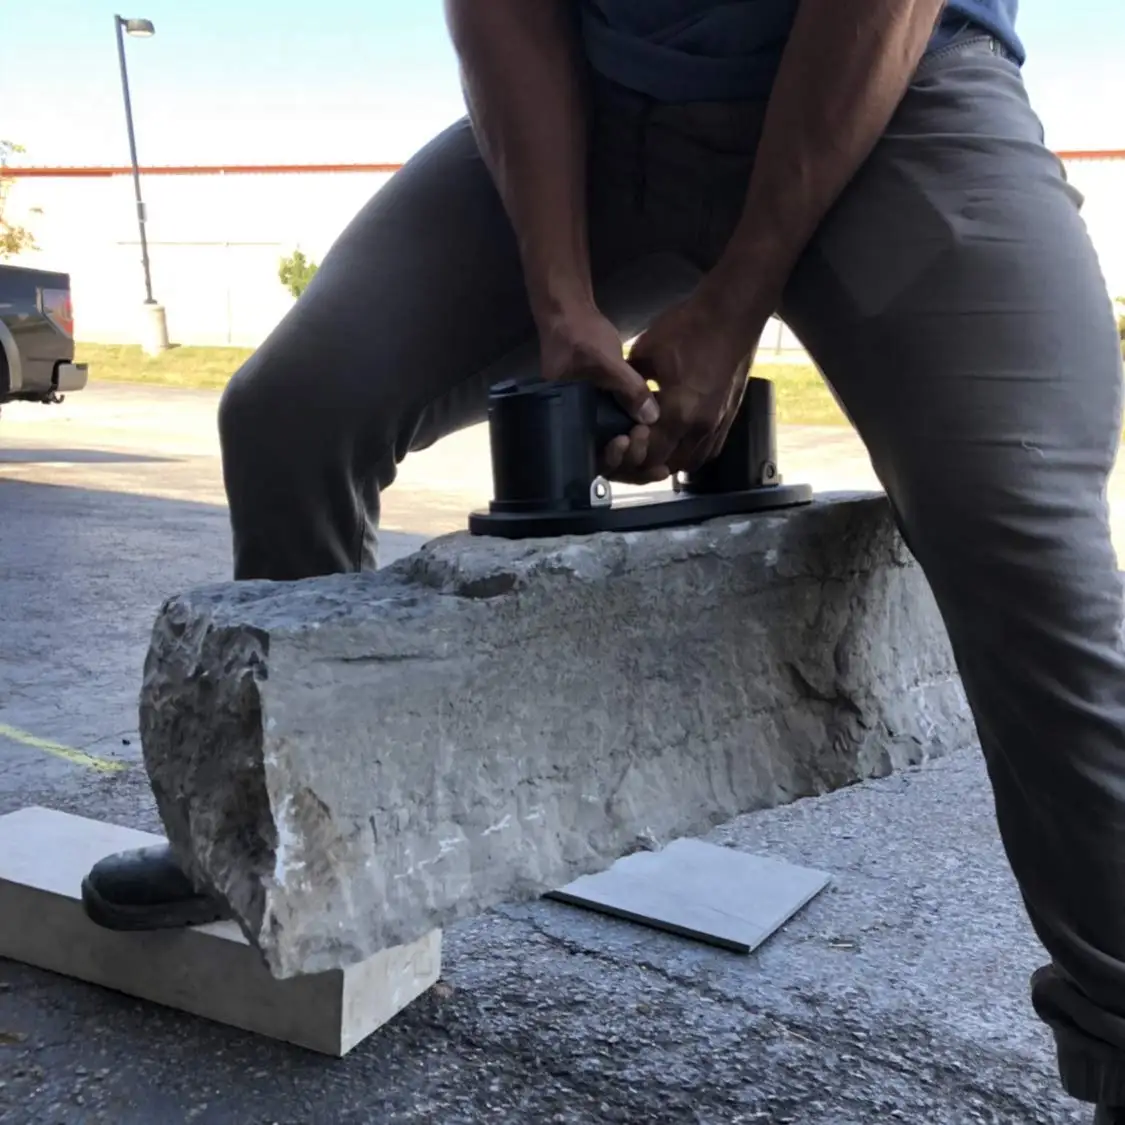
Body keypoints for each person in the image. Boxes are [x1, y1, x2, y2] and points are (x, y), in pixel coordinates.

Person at [78, 1, 1125, 1117]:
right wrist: (559, 301)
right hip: (605, 110)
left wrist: (735, 302)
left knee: (1014, 521)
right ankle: (258, 846)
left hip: (896, 89)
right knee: (290, 413)